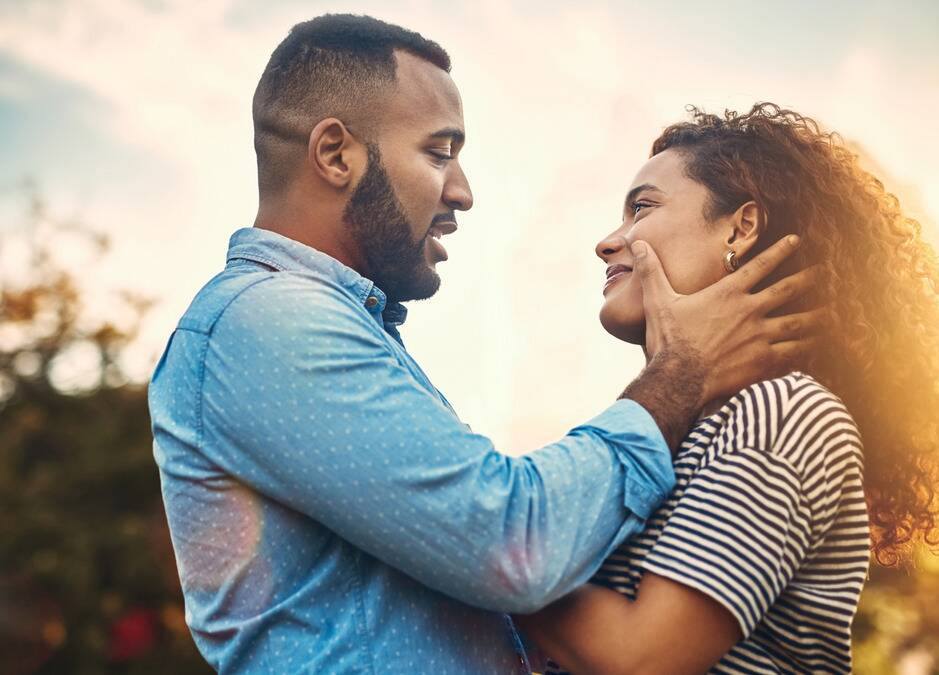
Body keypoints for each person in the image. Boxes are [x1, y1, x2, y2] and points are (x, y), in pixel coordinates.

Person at [147, 15, 819, 674]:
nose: (463, 192)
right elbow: (514, 544)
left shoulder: (331, 330)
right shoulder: (270, 324)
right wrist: (679, 372)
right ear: (336, 155)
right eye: (439, 152)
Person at [516, 104, 939, 674]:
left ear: (741, 227)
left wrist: (477, 542)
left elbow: (641, 659)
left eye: (641, 208)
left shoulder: (786, 413)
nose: (608, 242)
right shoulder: (685, 430)